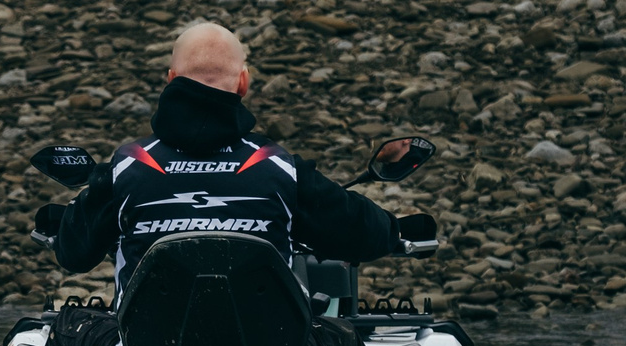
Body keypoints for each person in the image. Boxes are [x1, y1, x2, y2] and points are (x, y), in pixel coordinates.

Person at [45, 20, 406, 297]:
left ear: (171, 80)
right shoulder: (279, 168)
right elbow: (369, 236)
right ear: (243, 83)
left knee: (66, 336)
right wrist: (392, 229)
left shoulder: (127, 167)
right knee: (348, 343)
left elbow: (73, 253)